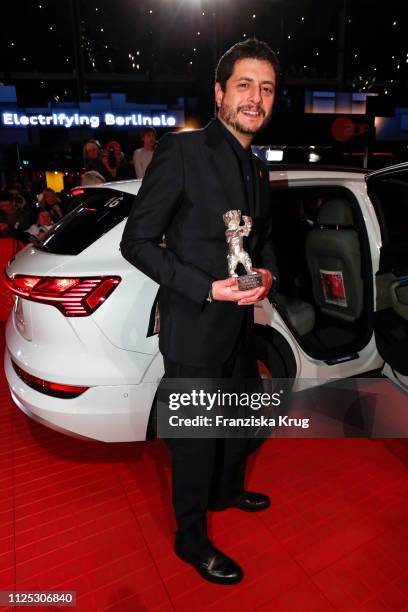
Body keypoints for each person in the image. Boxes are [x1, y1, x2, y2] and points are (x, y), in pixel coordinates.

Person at [120, 39, 279, 585]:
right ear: (219, 93)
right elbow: (137, 242)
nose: (255, 98)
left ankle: (228, 489)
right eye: (244, 85)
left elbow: (265, 243)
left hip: (239, 327)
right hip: (193, 327)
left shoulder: (257, 169)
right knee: (192, 440)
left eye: (266, 88)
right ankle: (190, 536)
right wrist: (206, 289)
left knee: (237, 419)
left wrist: (270, 275)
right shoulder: (182, 152)